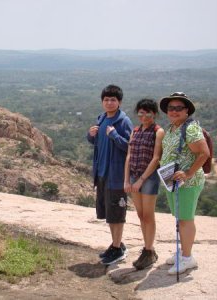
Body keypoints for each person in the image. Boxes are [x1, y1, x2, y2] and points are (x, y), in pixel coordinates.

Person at [159, 92, 210, 275]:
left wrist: (188, 173)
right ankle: (183, 252)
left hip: (187, 183)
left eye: (178, 108)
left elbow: (204, 153)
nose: (173, 111)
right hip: (174, 182)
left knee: (186, 219)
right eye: (170, 108)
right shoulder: (173, 127)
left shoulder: (190, 128)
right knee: (180, 218)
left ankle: (188, 258)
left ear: (186, 110)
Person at [87, 84, 133, 265]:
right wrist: (90, 136)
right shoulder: (102, 118)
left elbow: (130, 147)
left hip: (116, 176)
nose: (109, 102)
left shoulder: (123, 122)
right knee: (109, 213)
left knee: (117, 213)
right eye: (106, 99)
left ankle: (117, 249)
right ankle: (116, 245)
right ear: (102, 102)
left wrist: (115, 135)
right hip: (102, 173)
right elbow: (97, 143)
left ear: (119, 102)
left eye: (113, 99)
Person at [124, 99, 164, 270]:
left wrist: (141, 180)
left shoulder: (158, 131)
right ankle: (148, 249)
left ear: (154, 114)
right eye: (141, 112)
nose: (144, 115)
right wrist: (127, 180)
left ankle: (148, 250)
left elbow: (156, 158)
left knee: (148, 215)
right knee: (140, 215)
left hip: (149, 178)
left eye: (148, 112)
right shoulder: (135, 131)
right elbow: (129, 156)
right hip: (133, 175)